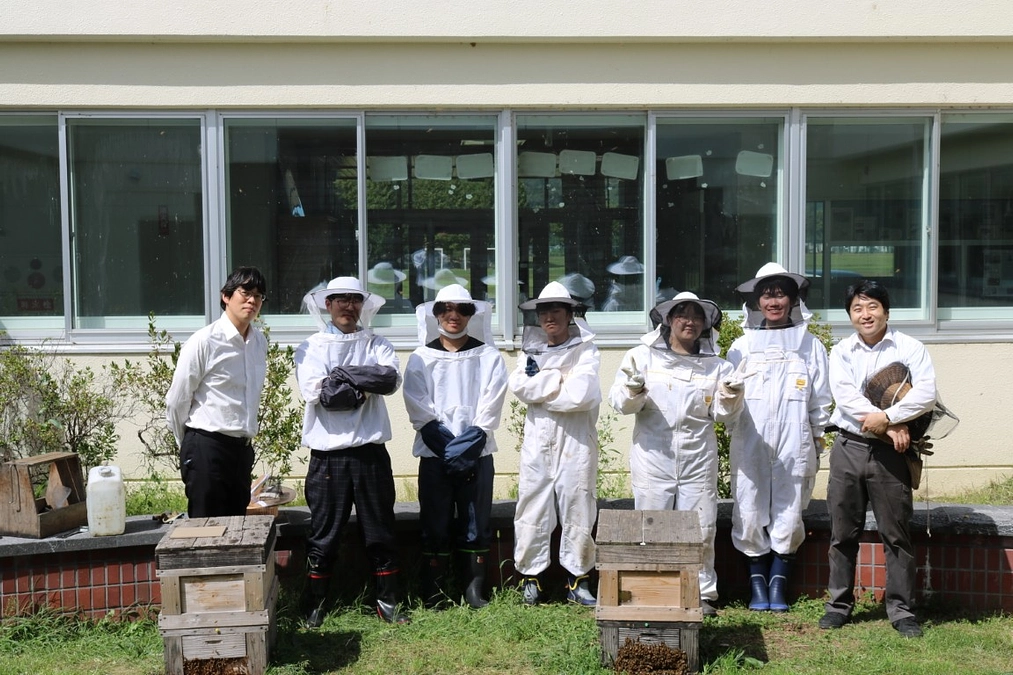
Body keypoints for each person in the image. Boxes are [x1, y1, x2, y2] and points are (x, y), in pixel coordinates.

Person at [609, 292, 744, 617]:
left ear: (705, 323)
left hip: (698, 458)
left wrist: (730, 395)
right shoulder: (641, 358)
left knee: (701, 526)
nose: (690, 321)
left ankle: (702, 593)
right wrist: (633, 392)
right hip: (653, 458)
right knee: (652, 524)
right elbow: (619, 402)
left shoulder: (719, 365)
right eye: (682, 314)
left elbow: (725, 416)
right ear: (668, 319)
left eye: (697, 316)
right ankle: (651, 589)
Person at [819, 280, 937, 638]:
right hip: (849, 448)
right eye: (857, 308)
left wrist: (889, 418)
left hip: (891, 455)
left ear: (886, 310)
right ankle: (838, 605)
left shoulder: (910, 347)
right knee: (842, 533)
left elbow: (927, 394)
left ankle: (901, 610)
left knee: (896, 533)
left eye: (872, 306)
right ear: (850, 315)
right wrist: (889, 425)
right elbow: (846, 398)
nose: (865, 314)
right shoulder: (841, 351)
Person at [294, 276, 408, 628]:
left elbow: (388, 380)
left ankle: (388, 601)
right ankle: (314, 603)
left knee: (381, 530)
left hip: (371, 452)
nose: (348, 306)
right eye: (340, 299)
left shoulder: (378, 343)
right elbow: (323, 395)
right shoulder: (310, 347)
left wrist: (341, 375)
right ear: (327, 304)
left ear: (362, 304)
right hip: (328, 456)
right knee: (324, 532)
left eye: (354, 299)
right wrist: (359, 384)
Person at [726, 263, 832, 612]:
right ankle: (757, 585)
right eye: (767, 294)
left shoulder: (810, 346)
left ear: (792, 299)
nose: (774, 301)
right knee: (749, 508)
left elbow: (820, 399)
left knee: (790, 508)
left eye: (780, 293)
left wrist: (818, 440)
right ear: (756, 301)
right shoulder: (741, 346)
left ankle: (778, 585)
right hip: (750, 440)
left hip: (795, 441)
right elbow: (727, 398)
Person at [402, 283, 508, 609]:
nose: (453, 316)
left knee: (476, 520)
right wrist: (448, 447)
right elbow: (417, 403)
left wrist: (470, 443)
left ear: (470, 315)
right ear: (436, 314)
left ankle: (474, 590)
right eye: (446, 309)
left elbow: (492, 400)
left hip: (477, 452)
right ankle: (435, 590)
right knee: (435, 520)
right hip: (435, 453)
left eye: (461, 309)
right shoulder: (421, 357)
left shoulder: (488, 356)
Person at [509, 281, 600, 606]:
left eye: (556, 311)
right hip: (537, 444)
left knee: (579, 507)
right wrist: (559, 378)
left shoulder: (586, 349)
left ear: (569, 314)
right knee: (531, 507)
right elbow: (520, 388)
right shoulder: (530, 352)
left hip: (576, 443)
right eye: (545, 311)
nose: (550, 317)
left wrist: (542, 385)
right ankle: (530, 579)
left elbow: (581, 395)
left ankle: (579, 581)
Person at [166, 266, 268, 518]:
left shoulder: (259, 342)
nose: (252, 300)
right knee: (206, 532)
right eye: (245, 292)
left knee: (237, 531)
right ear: (226, 296)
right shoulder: (205, 341)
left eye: (258, 295)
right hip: (206, 448)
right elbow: (177, 400)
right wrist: (191, 445)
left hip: (241, 450)